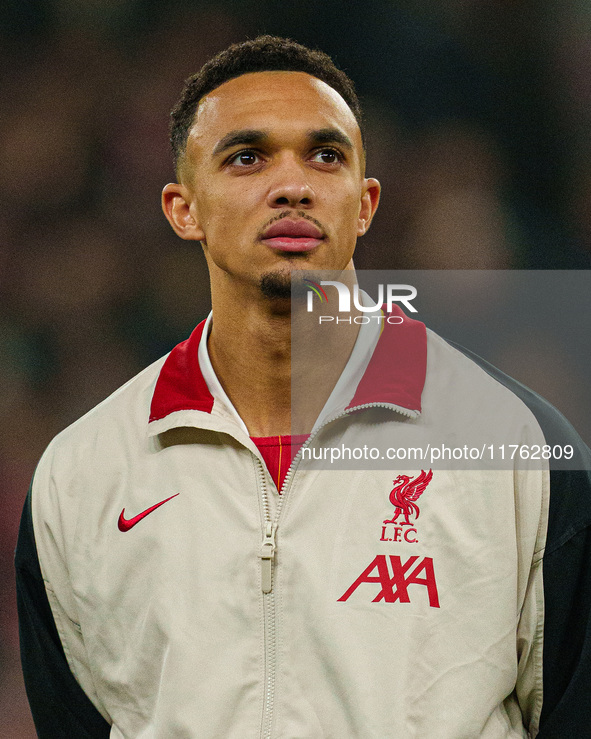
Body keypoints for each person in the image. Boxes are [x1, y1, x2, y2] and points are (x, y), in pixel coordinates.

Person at [15, 35, 591, 738]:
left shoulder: (517, 449)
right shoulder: (81, 473)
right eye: (246, 157)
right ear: (181, 208)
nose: (292, 184)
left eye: (325, 155)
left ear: (365, 203)